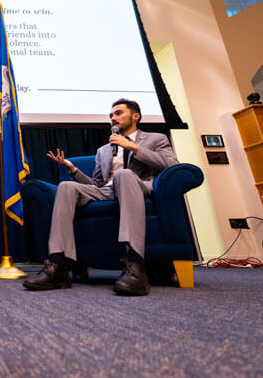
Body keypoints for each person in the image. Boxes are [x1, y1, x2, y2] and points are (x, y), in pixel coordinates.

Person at [23, 99, 178, 296]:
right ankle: (59, 264)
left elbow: (172, 166)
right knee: (67, 187)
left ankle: (135, 264)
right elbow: (96, 186)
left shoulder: (156, 139)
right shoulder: (103, 150)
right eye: (111, 115)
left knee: (123, 174)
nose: (113, 118)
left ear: (135, 116)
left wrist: (133, 147)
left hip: (137, 186)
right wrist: (73, 170)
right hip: (106, 191)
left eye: (118, 113)